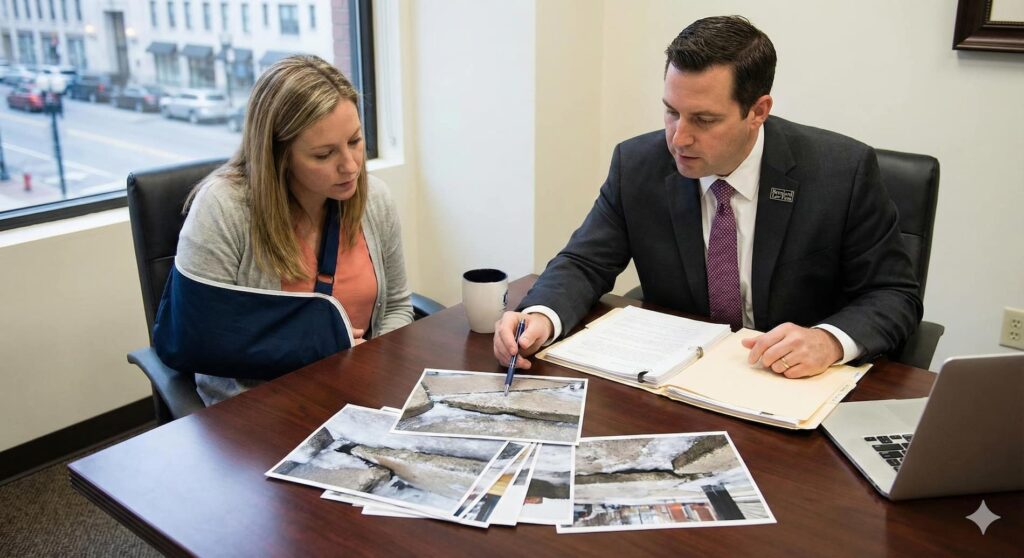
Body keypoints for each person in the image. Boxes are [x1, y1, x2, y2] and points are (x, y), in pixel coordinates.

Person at [494, 16, 921, 379]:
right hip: (679, 381)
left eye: (704, 119)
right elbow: (585, 262)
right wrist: (542, 316)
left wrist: (828, 340)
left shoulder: (841, 173)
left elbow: (893, 295)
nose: (679, 138)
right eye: (671, 111)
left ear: (758, 111)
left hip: (789, 386)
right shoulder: (637, 164)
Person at [170, 55, 413, 405]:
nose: (350, 166)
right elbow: (210, 357)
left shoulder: (374, 199)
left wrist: (370, 369)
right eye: (323, 154)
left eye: (355, 141)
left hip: (359, 395)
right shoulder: (223, 208)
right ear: (278, 156)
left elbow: (397, 307)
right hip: (262, 410)